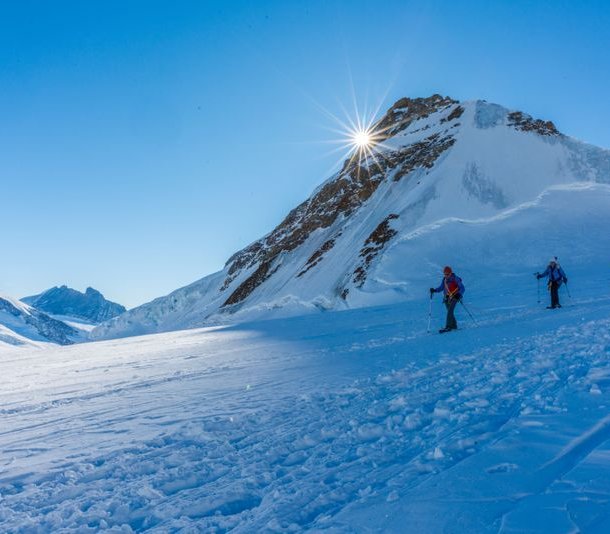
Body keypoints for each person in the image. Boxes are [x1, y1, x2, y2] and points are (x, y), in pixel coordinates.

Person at [430, 266, 465, 333]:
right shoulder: (444, 280)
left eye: (447, 274)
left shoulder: (455, 278)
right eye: (445, 274)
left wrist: (459, 294)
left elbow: (462, 288)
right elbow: (441, 288)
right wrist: (434, 290)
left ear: (450, 273)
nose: (446, 275)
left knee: (450, 311)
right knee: (450, 312)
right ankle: (454, 326)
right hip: (447, 298)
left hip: (455, 297)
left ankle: (448, 326)